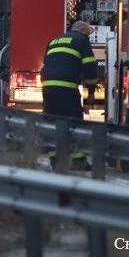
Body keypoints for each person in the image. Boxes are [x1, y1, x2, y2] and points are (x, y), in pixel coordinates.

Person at [40, 20, 98, 169]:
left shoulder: (54, 41)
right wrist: (91, 90)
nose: (88, 37)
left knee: (52, 122)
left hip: (48, 89)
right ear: (83, 30)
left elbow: (44, 66)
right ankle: (78, 161)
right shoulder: (82, 40)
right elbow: (90, 65)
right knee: (74, 122)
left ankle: (55, 160)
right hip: (66, 88)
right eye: (88, 33)